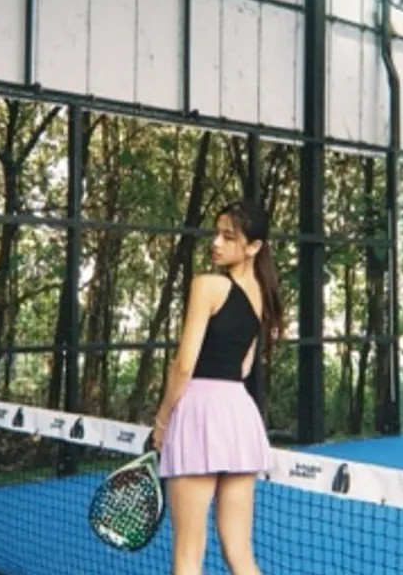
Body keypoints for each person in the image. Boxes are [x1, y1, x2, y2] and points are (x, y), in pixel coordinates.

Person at [153, 200, 284, 575]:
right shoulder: (262, 295)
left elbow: (184, 365)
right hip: (238, 414)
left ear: (254, 246)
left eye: (229, 237)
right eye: (217, 233)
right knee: (240, 555)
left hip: (199, 413)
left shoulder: (206, 285)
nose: (216, 243)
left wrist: (162, 422)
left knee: (187, 556)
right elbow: (243, 366)